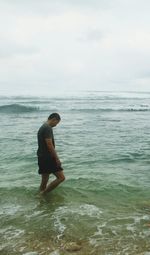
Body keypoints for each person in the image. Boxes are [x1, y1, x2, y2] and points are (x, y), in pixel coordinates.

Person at [37, 113, 65, 194]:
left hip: (41, 156)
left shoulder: (43, 127)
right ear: (54, 119)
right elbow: (49, 144)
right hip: (48, 157)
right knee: (61, 178)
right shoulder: (48, 128)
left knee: (44, 180)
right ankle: (44, 194)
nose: (56, 125)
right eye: (56, 123)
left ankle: (40, 196)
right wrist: (57, 159)